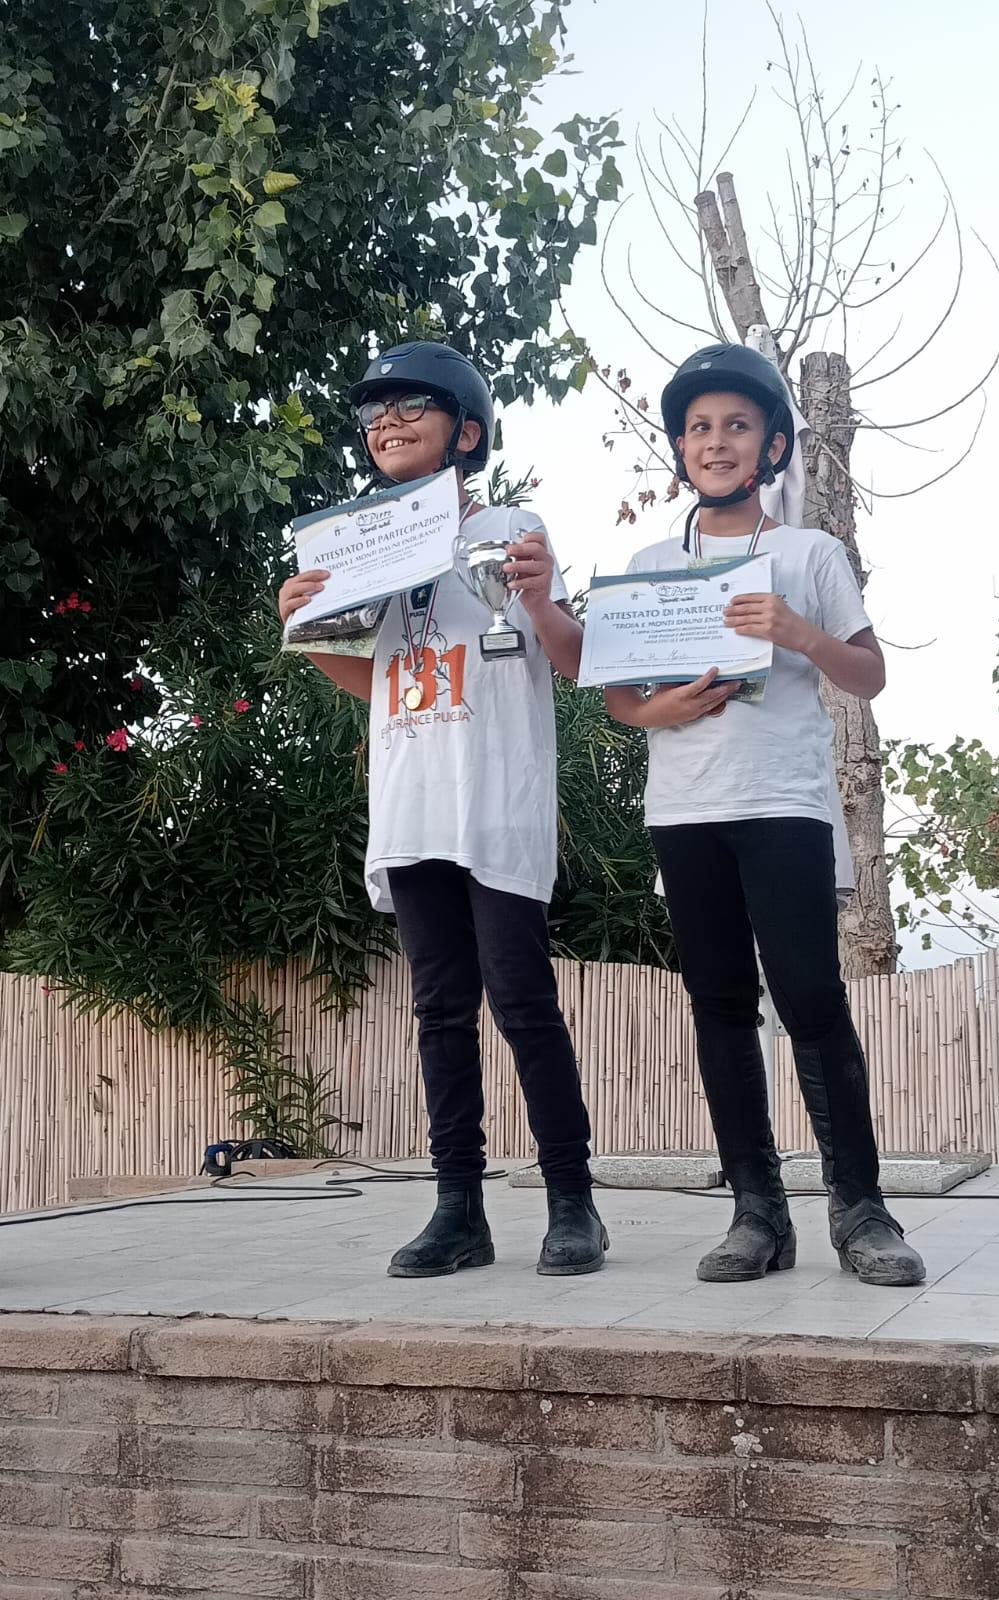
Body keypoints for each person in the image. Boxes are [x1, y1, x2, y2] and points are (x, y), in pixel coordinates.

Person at [277, 340, 607, 1279]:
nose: (386, 422)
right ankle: (458, 1207)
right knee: (438, 1011)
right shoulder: (363, 547)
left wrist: (539, 596)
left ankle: (573, 1201)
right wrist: (302, 623)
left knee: (523, 1001)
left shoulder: (511, 527)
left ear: (466, 431)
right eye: (373, 412)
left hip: (494, 802)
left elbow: (572, 662)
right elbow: (381, 681)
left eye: (410, 405)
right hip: (412, 804)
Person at [605, 343, 924, 1288]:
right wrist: (661, 709)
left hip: (783, 801)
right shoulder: (649, 564)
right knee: (716, 1005)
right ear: (680, 447)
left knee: (811, 998)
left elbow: (869, 674)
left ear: (772, 444)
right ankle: (757, 1212)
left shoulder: (808, 553)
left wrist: (796, 631)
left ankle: (861, 1210)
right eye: (698, 427)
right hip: (684, 809)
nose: (716, 441)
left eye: (737, 425)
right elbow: (621, 698)